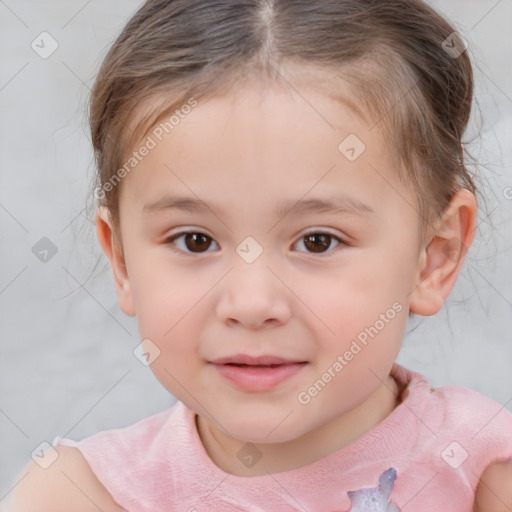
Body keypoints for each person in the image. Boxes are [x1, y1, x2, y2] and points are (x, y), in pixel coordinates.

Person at [7, 0, 512, 510]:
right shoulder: (80, 495)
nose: (251, 304)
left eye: (318, 241)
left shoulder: (481, 471)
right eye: (194, 240)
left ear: (433, 256)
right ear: (122, 260)